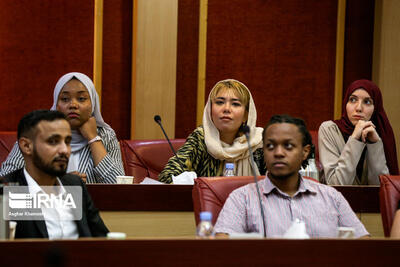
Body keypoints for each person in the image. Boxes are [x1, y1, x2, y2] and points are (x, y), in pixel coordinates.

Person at [214, 114, 369, 238]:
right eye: (270, 146)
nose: (278, 153)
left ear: (305, 152)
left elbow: (364, 248)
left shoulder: (331, 198)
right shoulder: (242, 199)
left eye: (288, 146)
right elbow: (220, 251)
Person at [0, 72, 125, 183]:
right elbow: (5, 180)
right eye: (65, 99)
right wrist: (57, 182)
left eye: (81, 99)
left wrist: (93, 139)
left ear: (92, 104)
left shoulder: (106, 135)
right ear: (56, 104)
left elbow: (120, 186)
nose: (73, 105)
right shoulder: (36, 132)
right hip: (42, 206)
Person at [3, 110, 109, 239]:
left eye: (68, 141)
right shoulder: (8, 192)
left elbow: (102, 239)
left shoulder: (75, 185)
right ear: (26, 146)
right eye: (53, 141)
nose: (64, 150)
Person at [158, 79, 265, 183]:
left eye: (235, 104)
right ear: (210, 110)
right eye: (219, 102)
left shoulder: (258, 142)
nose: (226, 109)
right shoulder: (201, 138)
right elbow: (167, 177)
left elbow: (278, 182)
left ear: (246, 114)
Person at [318, 79, 398, 185]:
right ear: (345, 104)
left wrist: (375, 144)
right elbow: (337, 185)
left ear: (376, 108)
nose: (359, 108)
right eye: (353, 100)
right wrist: (354, 139)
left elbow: (382, 189)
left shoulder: (381, 133)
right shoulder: (329, 129)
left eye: (367, 102)